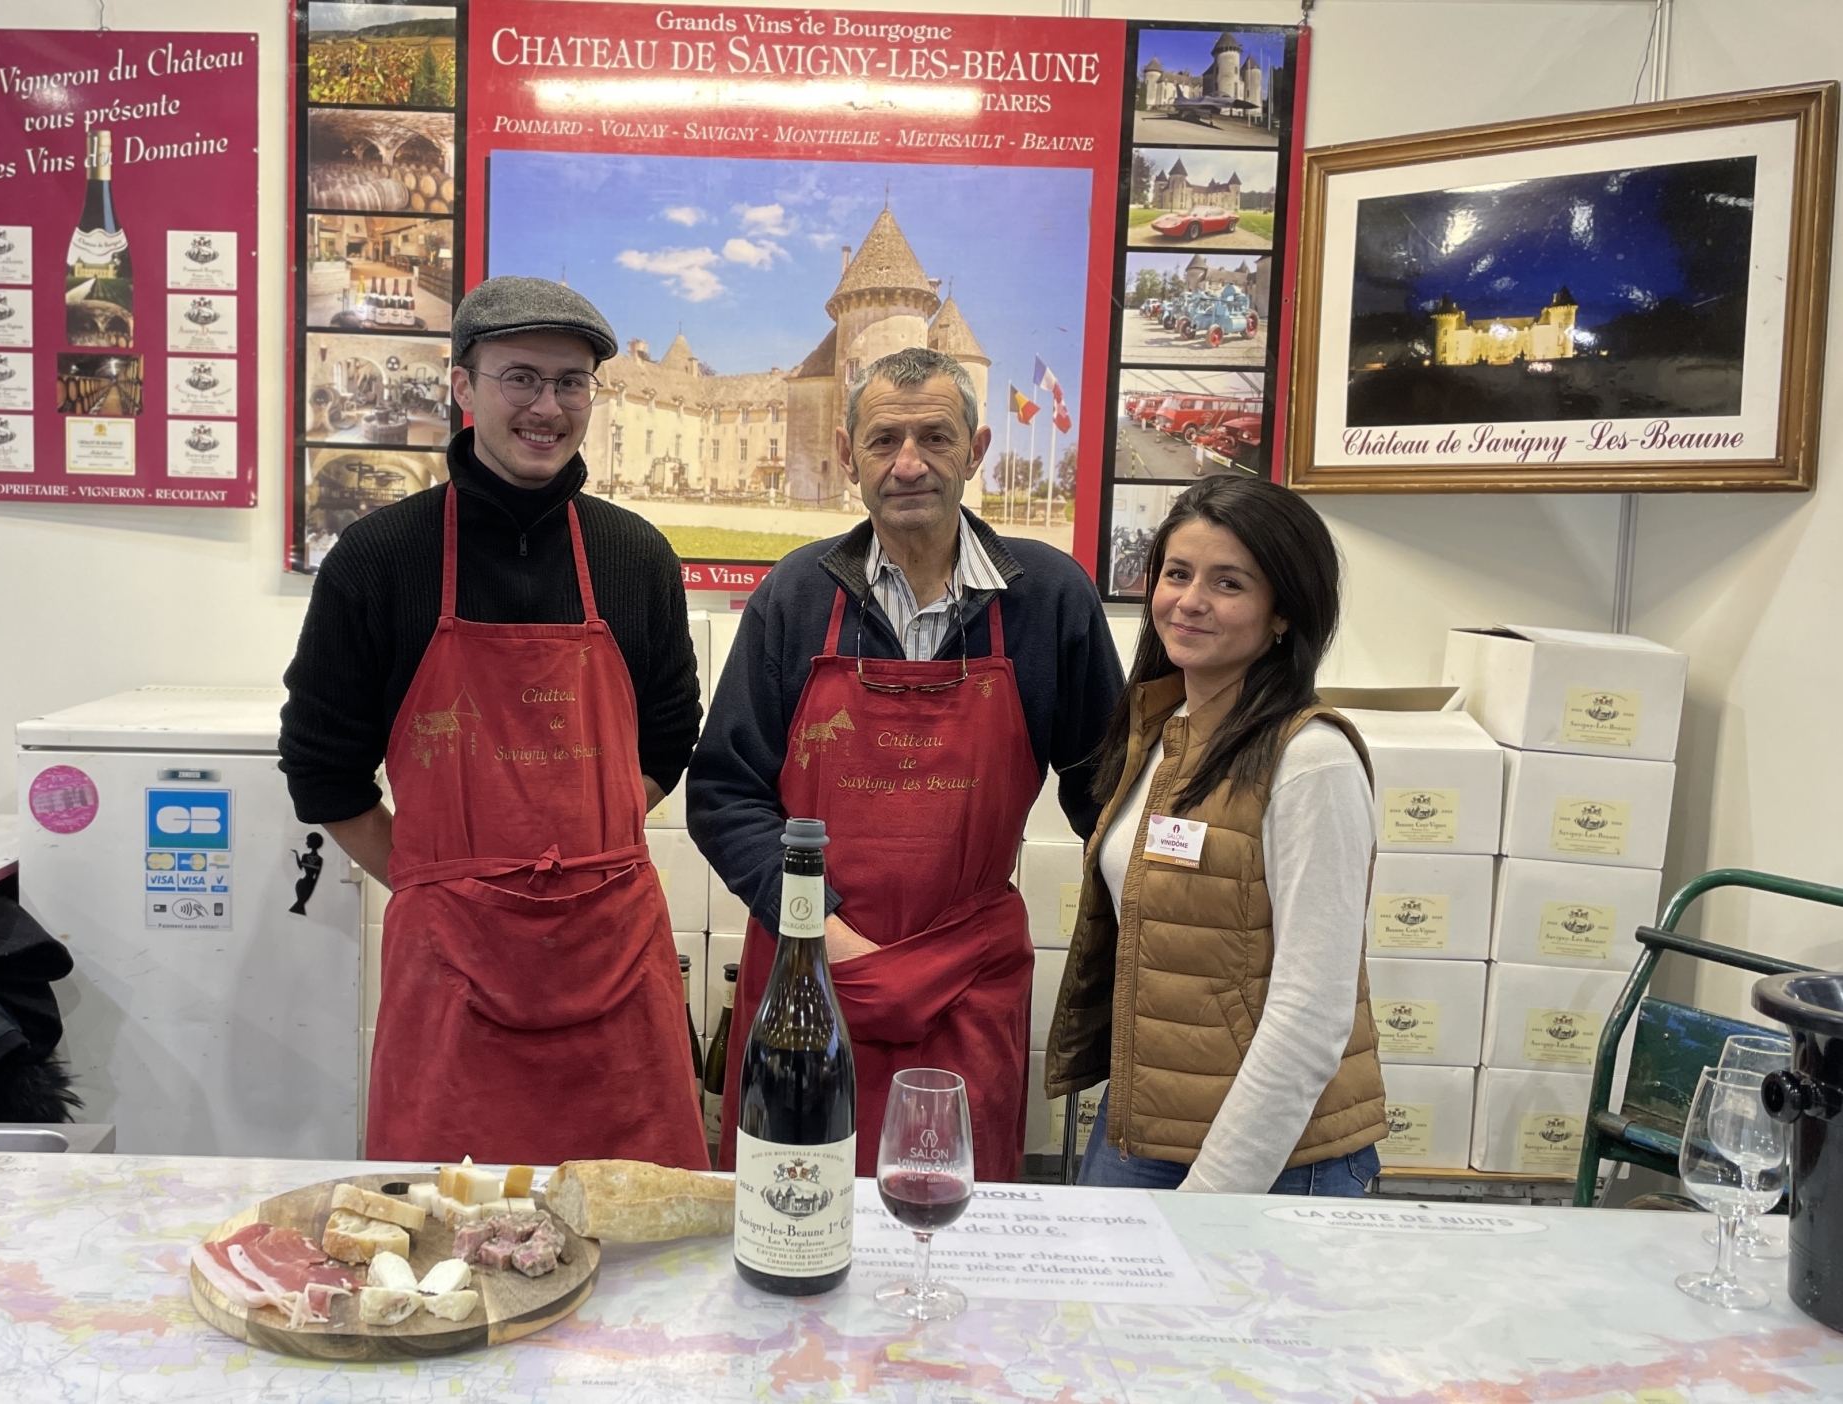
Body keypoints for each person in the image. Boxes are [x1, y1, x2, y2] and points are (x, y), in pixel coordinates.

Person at [279, 276, 707, 1169]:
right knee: (446, 1248)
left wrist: (581, 862)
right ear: (463, 388)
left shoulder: (634, 556)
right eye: (520, 377)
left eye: (571, 383)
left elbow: (670, 735)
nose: (546, 407)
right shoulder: (380, 558)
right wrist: (443, 886)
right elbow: (322, 768)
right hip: (452, 975)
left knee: (642, 1248)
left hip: (613, 960)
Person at [688, 346, 1124, 1182]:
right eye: (884, 440)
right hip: (810, 972)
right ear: (850, 457)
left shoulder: (1047, 598)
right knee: (792, 1210)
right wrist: (820, 929)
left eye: (935, 436)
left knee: (950, 1224)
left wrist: (1167, 892)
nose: (910, 463)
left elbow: (1105, 787)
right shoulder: (794, 597)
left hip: (967, 978)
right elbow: (724, 793)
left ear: (978, 449)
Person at [1046, 477, 1387, 1195]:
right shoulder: (1162, 736)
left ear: (1283, 613)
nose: (1189, 601)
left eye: (1227, 583)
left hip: (1268, 1159)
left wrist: (1210, 1200)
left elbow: (1311, 1015)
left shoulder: (1310, 761)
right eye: (1176, 574)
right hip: (1144, 1124)